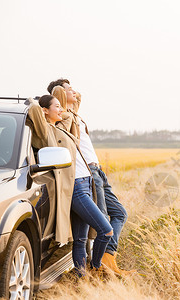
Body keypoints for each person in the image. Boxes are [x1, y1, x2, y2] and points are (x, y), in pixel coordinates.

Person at [48, 79, 133, 276]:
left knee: (119, 213)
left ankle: (105, 258)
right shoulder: (66, 118)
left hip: (95, 170)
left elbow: (78, 98)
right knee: (101, 222)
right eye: (69, 89)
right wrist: (60, 94)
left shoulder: (75, 114)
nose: (74, 91)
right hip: (86, 175)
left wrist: (70, 94)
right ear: (59, 96)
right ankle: (101, 266)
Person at [26, 95, 113, 277]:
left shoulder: (60, 128)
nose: (61, 109)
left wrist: (58, 108)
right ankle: (95, 268)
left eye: (60, 106)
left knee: (80, 240)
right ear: (45, 111)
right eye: (56, 106)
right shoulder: (45, 131)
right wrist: (34, 102)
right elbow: (34, 109)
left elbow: (69, 113)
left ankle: (81, 277)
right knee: (106, 231)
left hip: (86, 183)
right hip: (76, 188)